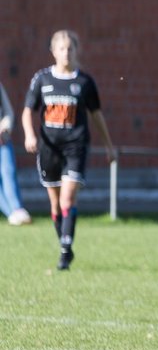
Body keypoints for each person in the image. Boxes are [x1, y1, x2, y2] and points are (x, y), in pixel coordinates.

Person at [21, 30, 117, 270]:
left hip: (76, 146)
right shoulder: (42, 79)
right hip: (49, 148)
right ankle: (65, 245)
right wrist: (30, 134)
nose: (66, 53)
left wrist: (109, 146)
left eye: (70, 48)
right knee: (55, 205)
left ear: (76, 51)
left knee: (67, 198)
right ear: (53, 51)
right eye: (61, 48)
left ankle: (65, 251)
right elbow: (27, 111)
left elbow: (96, 115)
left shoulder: (84, 82)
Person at [0, 81, 32, 225]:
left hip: (2, 140)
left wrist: (5, 127)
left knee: (9, 173)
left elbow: (8, 112)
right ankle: (12, 213)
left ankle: (17, 209)